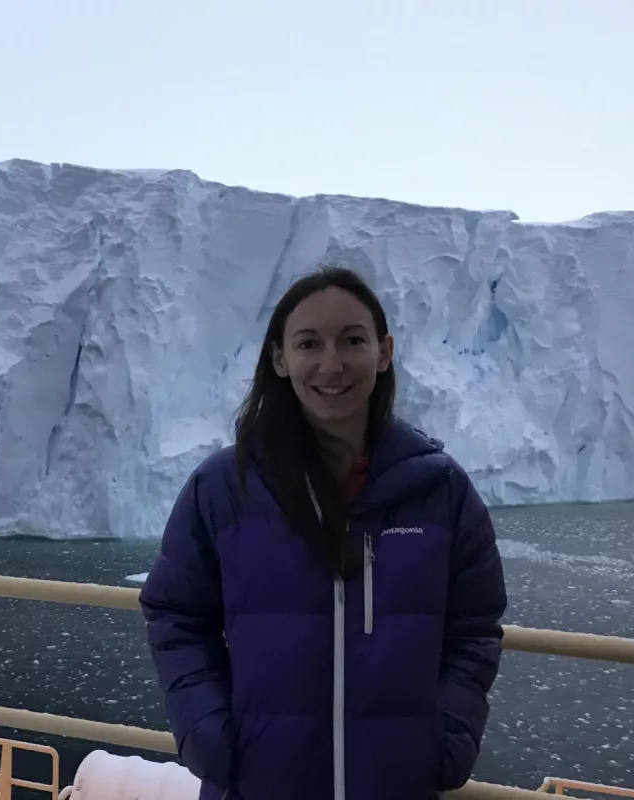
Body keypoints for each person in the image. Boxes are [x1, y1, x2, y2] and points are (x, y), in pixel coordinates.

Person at [138, 266, 508, 800]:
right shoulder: (225, 487)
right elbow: (175, 613)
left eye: (352, 340)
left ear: (383, 352)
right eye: (309, 343)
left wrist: (447, 736)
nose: (331, 364)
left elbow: (474, 626)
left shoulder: (441, 491)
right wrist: (206, 730)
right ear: (280, 359)